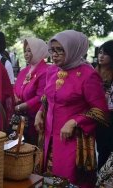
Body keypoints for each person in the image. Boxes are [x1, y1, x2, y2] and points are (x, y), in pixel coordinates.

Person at [34, 30, 109, 187]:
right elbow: (47, 97)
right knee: (47, 179)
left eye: (60, 50)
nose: (54, 55)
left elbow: (101, 111)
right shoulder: (52, 70)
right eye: (52, 50)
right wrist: (40, 112)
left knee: (68, 180)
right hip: (49, 137)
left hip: (73, 141)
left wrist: (75, 121)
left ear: (73, 49)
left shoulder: (88, 74)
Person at [13, 37, 49, 145]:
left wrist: (20, 106)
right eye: (25, 51)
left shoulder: (45, 71)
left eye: (29, 51)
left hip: (35, 119)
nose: (26, 54)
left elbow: (40, 97)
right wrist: (15, 97)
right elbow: (15, 88)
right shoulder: (24, 71)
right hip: (20, 118)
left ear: (38, 51)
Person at [95, 40, 113, 170]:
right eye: (100, 52)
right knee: (101, 148)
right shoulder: (93, 72)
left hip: (111, 117)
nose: (101, 56)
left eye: (105, 54)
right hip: (96, 116)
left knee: (107, 150)